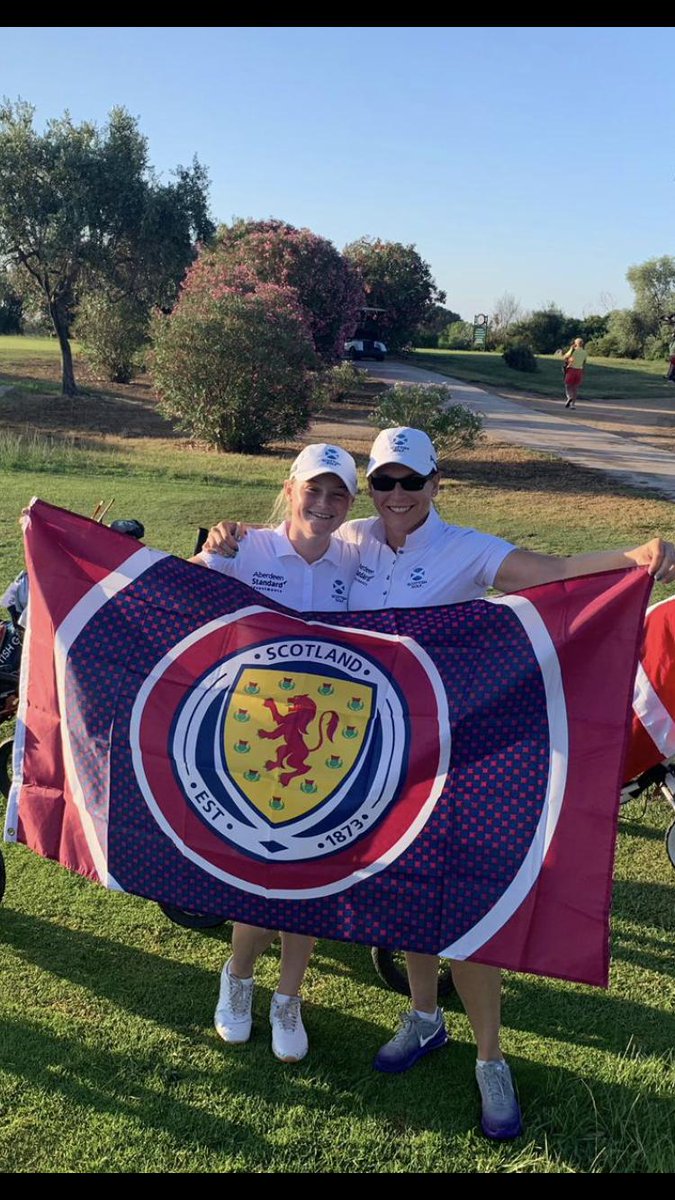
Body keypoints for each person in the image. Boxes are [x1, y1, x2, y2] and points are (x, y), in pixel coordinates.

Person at [204, 426, 675, 1139]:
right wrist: (225, 535)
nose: (395, 496)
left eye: (409, 482)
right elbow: (278, 549)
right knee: (404, 891)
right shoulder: (352, 539)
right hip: (371, 755)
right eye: (383, 482)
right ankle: (424, 1017)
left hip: (452, 749)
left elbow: (553, 569)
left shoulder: (467, 548)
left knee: (463, 909)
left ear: (434, 484)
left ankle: (491, 1057)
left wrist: (631, 558)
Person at [191, 443, 360, 1064]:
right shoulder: (247, 548)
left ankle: (288, 997)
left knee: (314, 876)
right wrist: (213, 547)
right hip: (249, 736)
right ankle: (238, 977)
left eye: (337, 493)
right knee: (263, 872)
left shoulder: (356, 560)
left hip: (335, 742)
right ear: (290, 489)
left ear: (350, 504)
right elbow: (183, 594)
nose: (323, 503)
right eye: (312, 489)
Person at [562, 337, 588, 409]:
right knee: (575, 388)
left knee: (567, 385)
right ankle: (573, 404)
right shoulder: (584, 352)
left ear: (575, 343)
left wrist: (571, 349)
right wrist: (583, 372)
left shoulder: (573, 351)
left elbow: (565, 357)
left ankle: (569, 397)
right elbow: (584, 363)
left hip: (571, 369)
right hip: (579, 370)